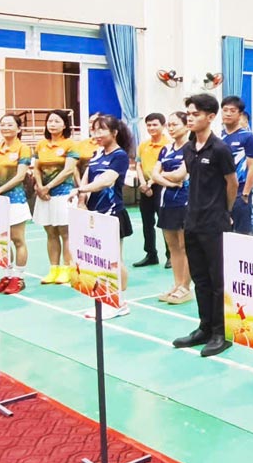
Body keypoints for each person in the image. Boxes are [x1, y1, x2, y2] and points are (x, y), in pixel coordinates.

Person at [171, 94, 238, 358]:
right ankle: (205, 327)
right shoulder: (188, 148)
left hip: (215, 223)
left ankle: (222, 333)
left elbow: (231, 184)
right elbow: (185, 176)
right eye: (188, 113)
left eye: (196, 113)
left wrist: (225, 212)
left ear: (211, 117)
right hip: (192, 221)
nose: (190, 117)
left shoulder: (220, 149)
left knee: (218, 280)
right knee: (199, 279)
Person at [71, 115, 133, 319]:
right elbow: (88, 178)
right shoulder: (96, 155)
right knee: (99, 260)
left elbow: (107, 181)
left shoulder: (120, 156)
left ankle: (119, 302)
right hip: (94, 214)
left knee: (114, 259)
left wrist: (82, 187)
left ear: (114, 133)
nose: (96, 135)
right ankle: (105, 299)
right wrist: (81, 200)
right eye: (94, 130)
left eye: (101, 130)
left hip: (112, 213)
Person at [0, 114, 32, 295]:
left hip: (15, 200)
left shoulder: (23, 148)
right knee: (2, 242)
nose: (5, 127)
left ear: (18, 129)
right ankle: (6, 275)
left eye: (10, 124)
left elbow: (20, 176)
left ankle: (18, 278)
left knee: (17, 239)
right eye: (2, 124)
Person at [33, 110, 79, 285]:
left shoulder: (70, 145)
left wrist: (48, 187)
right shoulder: (41, 145)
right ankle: (54, 269)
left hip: (63, 194)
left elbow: (68, 170)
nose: (52, 124)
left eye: (56, 121)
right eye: (50, 121)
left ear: (65, 125)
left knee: (65, 233)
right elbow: (36, 167)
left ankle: (68, 269)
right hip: (44, 196)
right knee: (50, 232)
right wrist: (40, 187)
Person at [151, 111, 192, 305]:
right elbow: (154, 174)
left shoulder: (190, 148)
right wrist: (167, 179)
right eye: (169, 124)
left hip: (185, 201)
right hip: (167, 202)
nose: (171, 127)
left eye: (175, 124)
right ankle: (176, 285)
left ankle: (186, 286)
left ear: (186, 125)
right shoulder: (165, 150)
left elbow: (180, 175)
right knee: (173, 246)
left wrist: (163, 177)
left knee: (185, 246)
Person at [220, 96, 253, 235]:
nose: (228, 113)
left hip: (240, 192)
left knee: (242, 235)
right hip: (221, 193)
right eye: (225, 110)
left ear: (240, 114)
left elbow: (252, 167)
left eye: (232, 110)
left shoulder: (247, 137)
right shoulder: (220, 137)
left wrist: (245, 194)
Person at [134, 113, 169, 267]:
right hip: (145, 187)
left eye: (155, 125)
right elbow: (138, 164)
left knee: (165, 222)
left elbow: (164, 168)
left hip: (161, 185)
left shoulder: (168, 145)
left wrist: (150, 183)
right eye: (148, 125)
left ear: (163, 126)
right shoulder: (143, 145)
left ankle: (170, 255)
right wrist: (143, 183)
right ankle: (151, 254)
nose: (151, 128)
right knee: (147, 222)